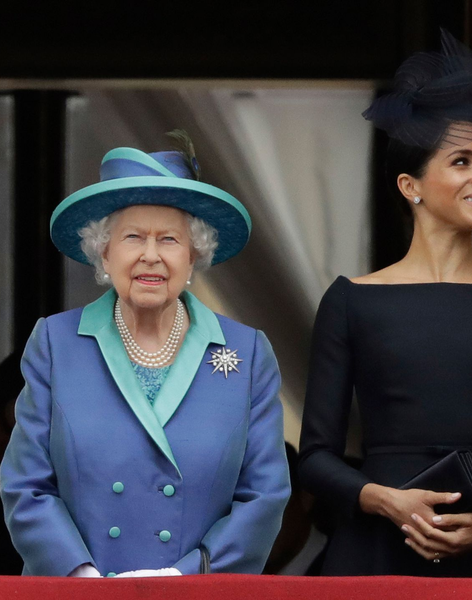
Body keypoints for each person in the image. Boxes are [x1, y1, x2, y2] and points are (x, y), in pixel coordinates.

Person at [298, 30, 472, 577]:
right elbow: (315, 457)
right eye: (461, 161)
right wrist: (385, 500)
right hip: (377, 550)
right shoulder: (350, 301)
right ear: (411, 185)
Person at [0, 133, 291, 577]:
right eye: (133, 237)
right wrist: (82, 577)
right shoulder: (55, 344)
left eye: (170, 239)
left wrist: (184, 576)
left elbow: (265, 495)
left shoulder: (247, 353)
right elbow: (27, 486)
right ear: (104, 251)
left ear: (194, 255)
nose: (151, 256)